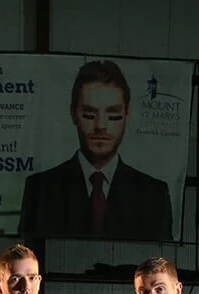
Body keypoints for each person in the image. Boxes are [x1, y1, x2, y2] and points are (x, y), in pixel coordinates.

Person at [18, 59, 173, 242]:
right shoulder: (40, 189)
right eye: (89, 115)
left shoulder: (153, 194)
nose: (100, 126)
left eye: (113, 115)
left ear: (127, 115)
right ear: (73, 113)